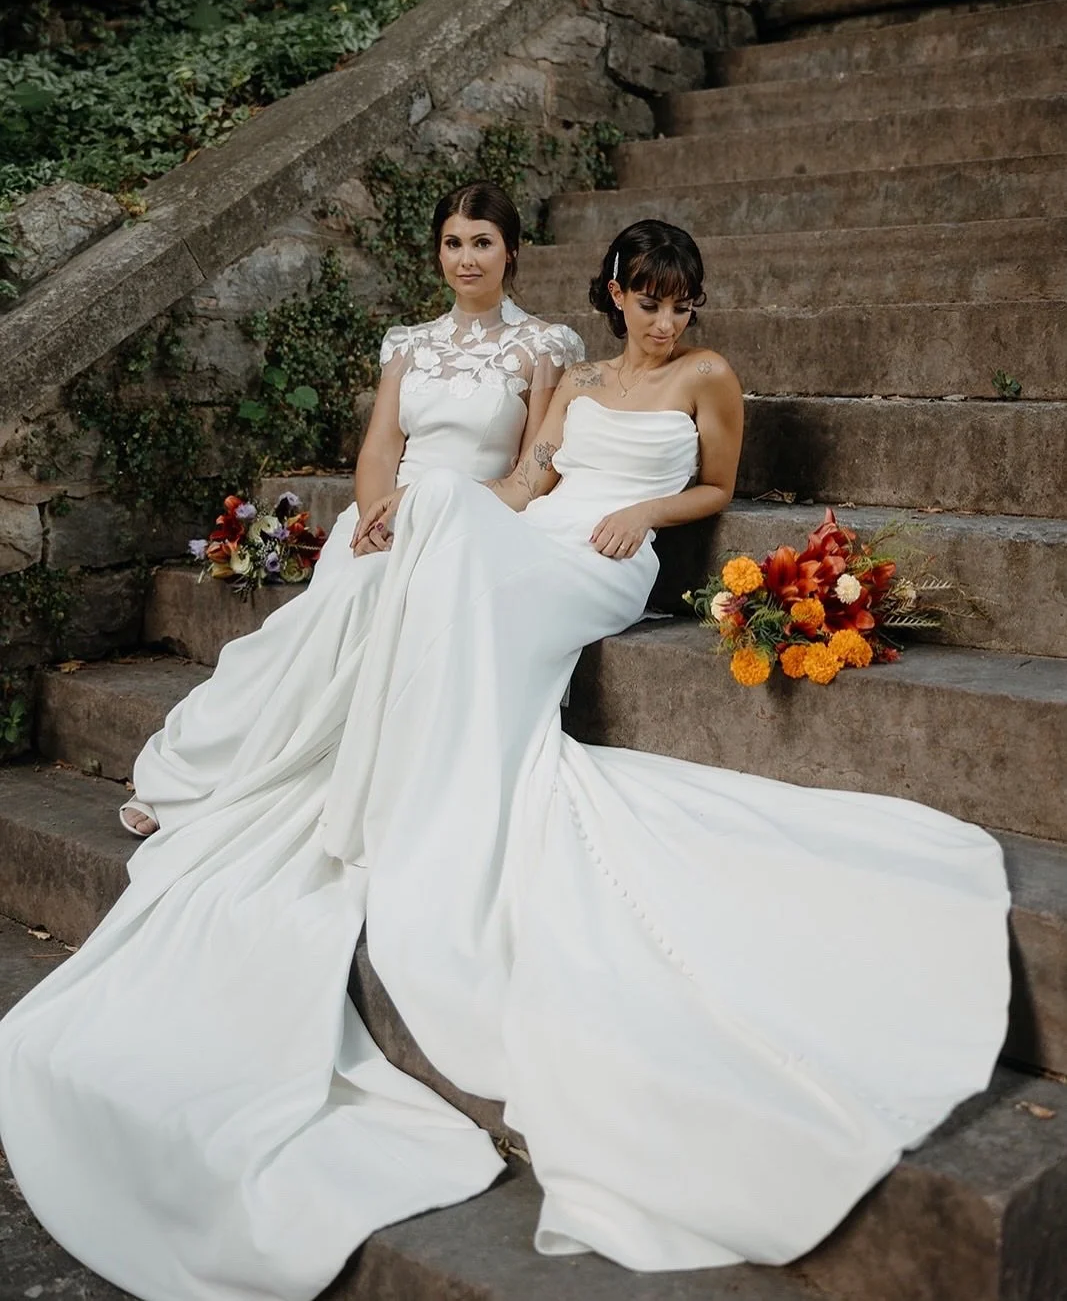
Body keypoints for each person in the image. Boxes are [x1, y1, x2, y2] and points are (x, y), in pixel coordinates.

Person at [0, 221, 1009, 1300]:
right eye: (648, 302)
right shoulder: (574, 381)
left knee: (444, 552)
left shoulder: (708, 376)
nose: (664, 322)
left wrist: (642, 511)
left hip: (606, 559)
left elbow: (715, 487)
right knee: (428, 522)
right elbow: (524, 486)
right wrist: (425, 516)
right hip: (538, 535)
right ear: (613, 294)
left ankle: (384, 772)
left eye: (681, 304)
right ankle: (355, 761)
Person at [119, 180, 584, 837]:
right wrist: (373, 519)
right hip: (381, 520)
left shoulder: (545, 346)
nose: (466, 259)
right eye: (453, 243)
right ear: (437, 251)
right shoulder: (408, 344)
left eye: (482, 243)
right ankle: (201, 764)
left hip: (470, 523)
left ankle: (264, 772)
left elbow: (530, 475)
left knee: (362, 599)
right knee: (321, 615)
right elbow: (381, 447)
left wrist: (433, 515)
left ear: (511, 250)